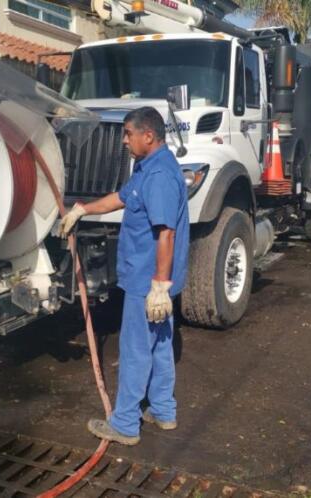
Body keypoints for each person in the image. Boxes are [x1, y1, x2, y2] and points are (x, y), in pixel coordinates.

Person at [59, 106, 189, 446]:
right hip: (154, 279)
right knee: (160, 343)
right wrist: (82, 210)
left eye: (128, 134)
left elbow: (166, 233)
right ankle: (163, 410)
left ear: (149, 135)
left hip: (148, 280)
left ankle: (126, 424)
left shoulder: (159, 176)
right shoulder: (149, 167)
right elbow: (121, 197)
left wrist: (158, 287)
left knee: (135, 350)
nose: (124, 141)